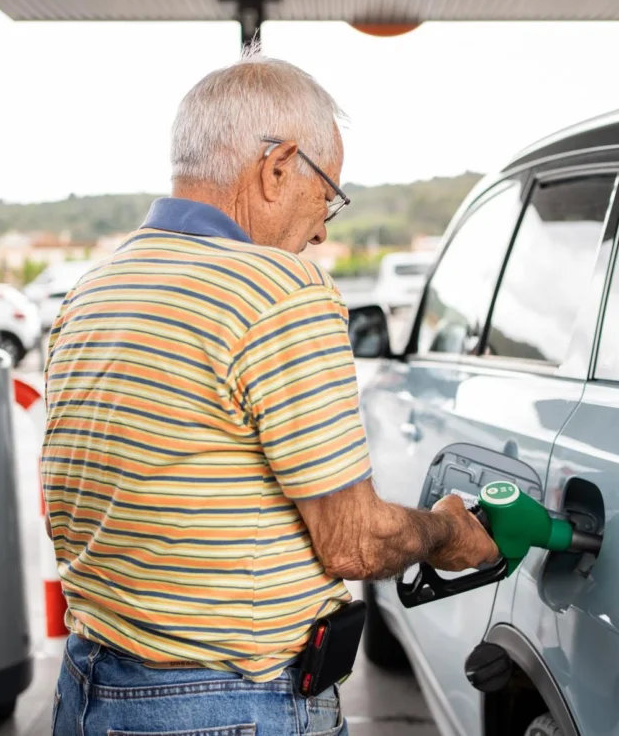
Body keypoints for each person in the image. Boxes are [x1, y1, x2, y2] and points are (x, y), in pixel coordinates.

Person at [41, 48, 499, 736]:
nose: (320, 230)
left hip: (89, 689)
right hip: (227, 707)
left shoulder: (94, 289)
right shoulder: (280, 291)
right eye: (328, 198)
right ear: (279, 166)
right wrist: (448, 531)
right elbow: (353, 543)